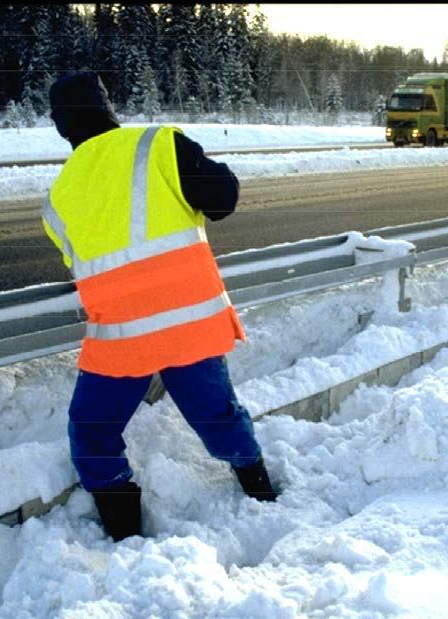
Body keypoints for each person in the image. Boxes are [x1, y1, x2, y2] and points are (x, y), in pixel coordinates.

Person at [42, 72, 277, 542]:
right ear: (108, 108)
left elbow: (84, 268)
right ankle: (261, 492)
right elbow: (222, 198)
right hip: (188, 327)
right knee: (217, 417)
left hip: (120, 340)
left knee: (92, 433)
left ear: (60, 126)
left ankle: (124, 536)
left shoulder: (57, 197)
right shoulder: (157, 145)